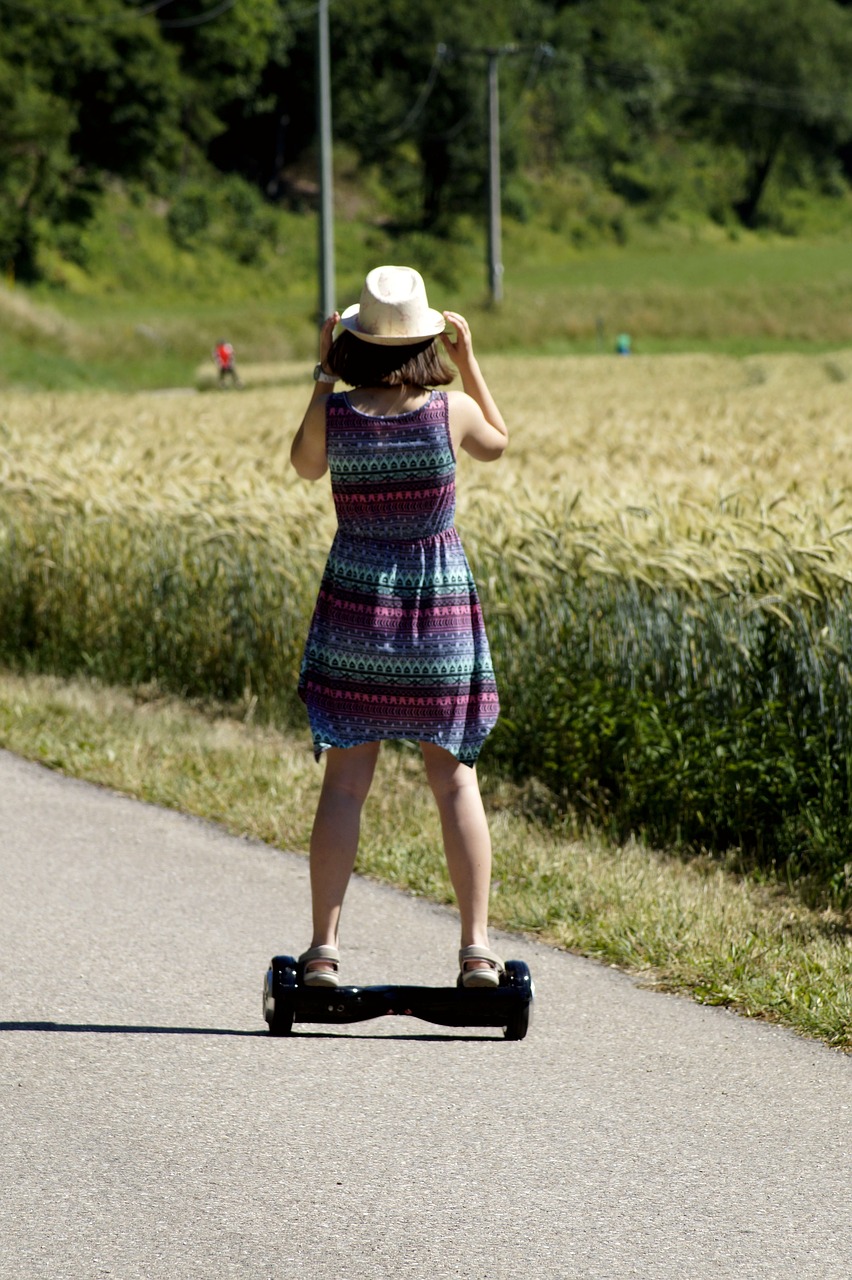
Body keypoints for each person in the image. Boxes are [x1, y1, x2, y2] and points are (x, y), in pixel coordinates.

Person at [290, 264, 509, 990]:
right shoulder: (450, 416)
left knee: (346, 787)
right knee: (454, 783)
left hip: (357, 613)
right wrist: (470, 359)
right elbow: (499, 440)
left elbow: (302, 466)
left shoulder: (339, 413)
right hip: (437, 615)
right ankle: (477, 951)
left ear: (353, 340)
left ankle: (323, 949)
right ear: (428, 339)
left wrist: (324, 376)